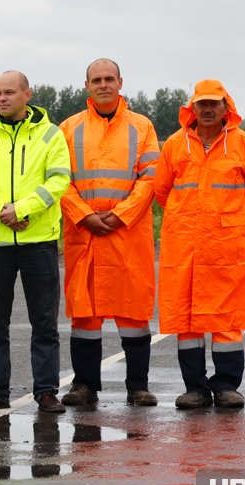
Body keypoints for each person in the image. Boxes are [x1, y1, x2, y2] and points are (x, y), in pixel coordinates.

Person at [154, 79, 245, 409]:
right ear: (191, 108)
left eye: (214, 104)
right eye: (201, 104)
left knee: (226, 320)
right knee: (186, 318)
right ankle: (194, 389)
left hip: (228, 248)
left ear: (226, 107)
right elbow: (162, 191)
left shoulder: (244, 145)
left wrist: (229, 219)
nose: (207, 109)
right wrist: (189, 219)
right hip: (184, 247)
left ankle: (226, 387)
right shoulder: (176, 145)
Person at [0, 70, 71, 413]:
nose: (3, 98)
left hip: (38, 242)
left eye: (9, 92)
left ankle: (47, 391)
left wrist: (22, 209)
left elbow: (58, 181)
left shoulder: (51, 136)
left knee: (44, 323)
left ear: (27, 94)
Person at [58, 58, 160, 407]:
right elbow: (58, 180)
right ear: (87, 86)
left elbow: (151, 179)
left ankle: (138, 386)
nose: (103, 85)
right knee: (84, 315)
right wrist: (83, 215)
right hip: (84, 235)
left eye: (109, 79)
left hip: (127, 236)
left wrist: (120, 215)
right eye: (96, 80)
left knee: (133, 314)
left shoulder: (142, 126)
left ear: (120, 82)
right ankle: (84, 385)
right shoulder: (69, 128)